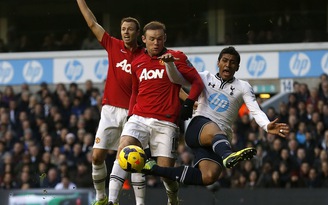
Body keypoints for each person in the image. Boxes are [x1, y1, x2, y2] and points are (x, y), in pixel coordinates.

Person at [142, 46, 290, 187]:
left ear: (237, 67)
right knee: (215, 131)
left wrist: (266, 125)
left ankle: (153, 169)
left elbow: (256, 110)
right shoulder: (204, 77)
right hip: (198, 127)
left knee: (208, 176)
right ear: (218, 62)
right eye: (225, 60)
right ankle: (228, 155)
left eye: (232, 62)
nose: (228, 65)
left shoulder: (243, 87)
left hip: (219, 138)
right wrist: (171, 66)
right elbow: (176, 80)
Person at [115, 21, 204, 205]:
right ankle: (111, 200)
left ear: (165, 39)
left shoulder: (176, 57)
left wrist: (188, 102)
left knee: (166, 173)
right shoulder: (137, 62)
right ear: (143, 40)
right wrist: (131, 115)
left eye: (160, 39)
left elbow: (197, 82)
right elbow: (134, 92)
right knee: (124, 147)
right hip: (139, 117)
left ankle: (172, 198)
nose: (156, 43)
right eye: (152, 39)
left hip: (166, 123)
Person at [76, 0, 144, 205]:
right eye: (123, 29)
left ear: (137, 33)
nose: (125, 32)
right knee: (96, 157)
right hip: (110, 110)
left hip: (134, 113)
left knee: (129, 158)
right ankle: (101, 197)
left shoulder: (145, 55)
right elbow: (91, 23)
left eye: (130, 29)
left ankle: (127, 201)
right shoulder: (112, 45)